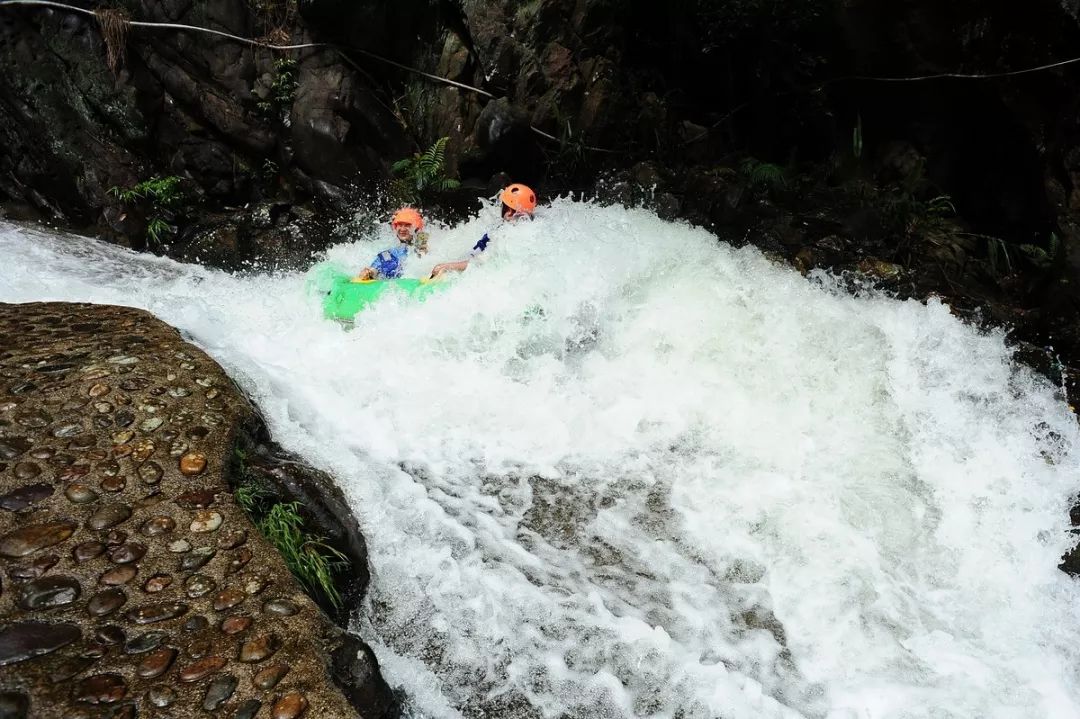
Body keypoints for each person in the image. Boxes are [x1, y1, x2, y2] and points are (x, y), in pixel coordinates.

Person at [429, 183, 536, 278]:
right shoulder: (529, 233)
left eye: (503, 205)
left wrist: (447, 266)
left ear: (509, 212)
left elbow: (480, 263)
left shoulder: (504, 236)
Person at [354, 207, 429, 281]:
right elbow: (374, 269)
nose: (402, 229)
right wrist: (368, 273)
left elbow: (426, 255)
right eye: (399, 225)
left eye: (407, 225)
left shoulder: (427, 246)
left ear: (416, 228)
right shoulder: (388, 254)